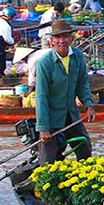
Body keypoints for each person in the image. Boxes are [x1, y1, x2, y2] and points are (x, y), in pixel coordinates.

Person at [35, 20, 96, 165]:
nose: (61, 41)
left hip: (71, 114)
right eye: (57, 38)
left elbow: (82, 84)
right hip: (52, 117)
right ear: (52, 42)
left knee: (84, 147)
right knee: (48, 159)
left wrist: (88, 105)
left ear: (71, 39)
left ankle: (86, 177)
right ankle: (44, 183)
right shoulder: (45, 63)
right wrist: (43, 128)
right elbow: (41, 96)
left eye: (65, 36)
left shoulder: (78, 56)